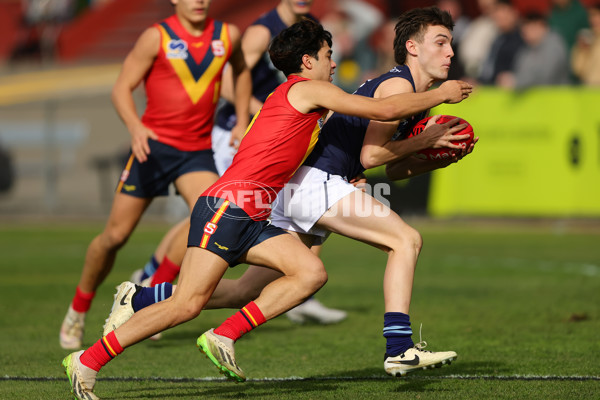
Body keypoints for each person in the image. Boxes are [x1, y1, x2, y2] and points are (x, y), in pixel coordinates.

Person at [62, 18, 472, 399]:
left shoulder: (305, 97)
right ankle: (86, 360)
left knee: (307, 274)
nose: (334, 64)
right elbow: (381, 110)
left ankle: (199, 325)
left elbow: (350, 145)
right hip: (228, 206)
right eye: (328, 56)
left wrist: (355, 171)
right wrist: (441, 94)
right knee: (187, 305)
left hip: (256, 210)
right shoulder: (304, 88)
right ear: (308, 60)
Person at [132, 0, 348, 325]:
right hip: (240, 129)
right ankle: (153, 283)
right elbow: (231, 81)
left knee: (283, 209)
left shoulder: (310, 29)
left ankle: (301, 287)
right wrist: (263, 111)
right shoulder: (262, 31)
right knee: (215, 211)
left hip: (283, 128)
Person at [58, 0, 251, 350]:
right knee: (115, 237)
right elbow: (121, 88)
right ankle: (78, 308)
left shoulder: (227, 35)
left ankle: (152, 291)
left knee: (207, 214)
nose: (199, 1)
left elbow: (240, 71)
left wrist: (240, 117)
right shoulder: (155, 37)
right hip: (153, 149)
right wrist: (135, 127)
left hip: (196, 152)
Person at [496, 12, 570, 89]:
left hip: (558, 97)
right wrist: (510, 80)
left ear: (540, 25)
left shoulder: (554, 44)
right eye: (523, 31)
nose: (525, 34)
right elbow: (519, 72)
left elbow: (547, 76)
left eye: (529, 28)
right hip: (535, 99)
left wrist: (517, 82)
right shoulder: (527, 49)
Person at [478, 0, 524, 86]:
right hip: (491, 89)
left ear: (514, 13)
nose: (501, 19)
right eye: (497, 17)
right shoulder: (497, 40)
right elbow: (488, 70)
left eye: (504, 15)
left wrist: (516, 79)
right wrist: (478, 81)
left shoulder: (523, 39)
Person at [571, 3, 600, 86]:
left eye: (597, 15)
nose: (594, 19)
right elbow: (577, 70)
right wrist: (583, 51)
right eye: (592, 16)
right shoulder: (586, 38)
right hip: (588, 91)